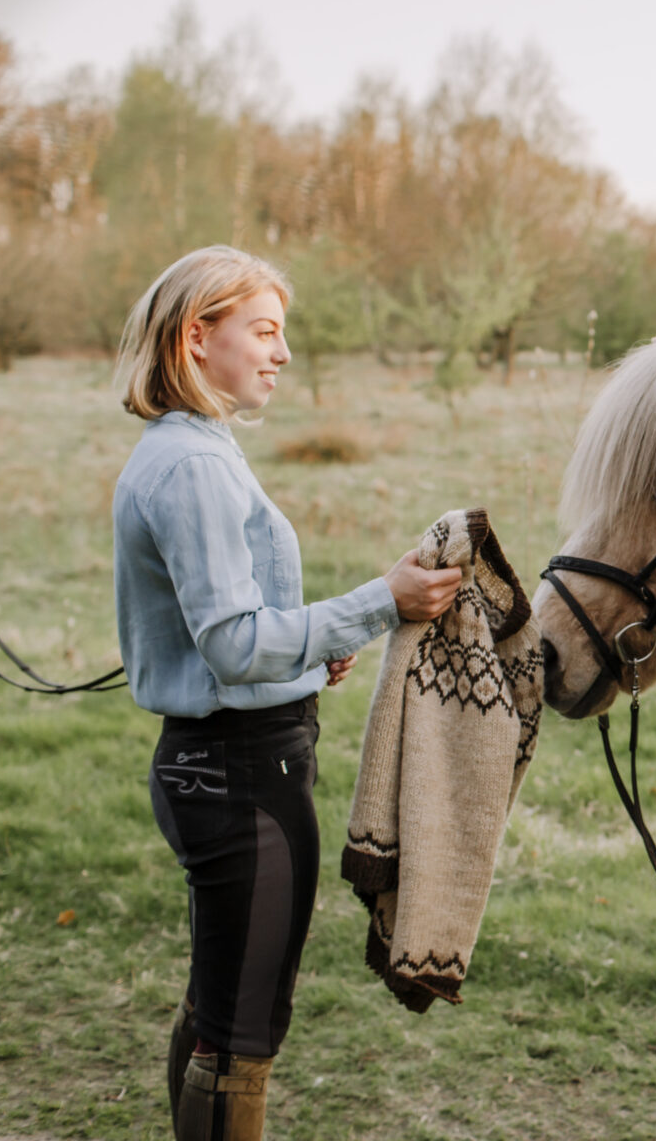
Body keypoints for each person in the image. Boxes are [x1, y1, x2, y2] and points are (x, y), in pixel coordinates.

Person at [111, 246, 461, 1141]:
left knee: (220, 1006)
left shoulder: (192, 448)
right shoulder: (193, 466)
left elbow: (231, 627)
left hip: (227, 766)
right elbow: (231, 645)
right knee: (242, 1032)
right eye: (264, 331)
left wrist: (310, 658)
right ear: (199, 337)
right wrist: (380, 603)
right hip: (239, 780)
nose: (283, 352)